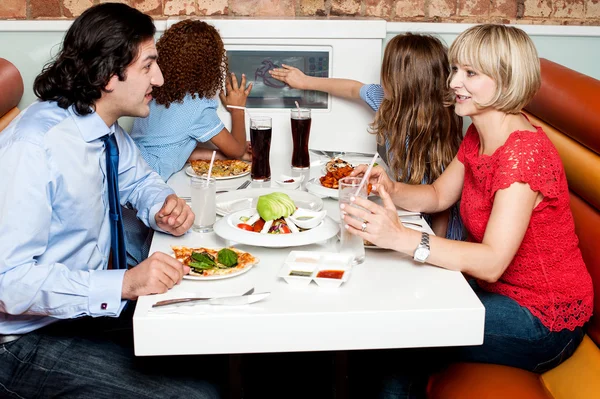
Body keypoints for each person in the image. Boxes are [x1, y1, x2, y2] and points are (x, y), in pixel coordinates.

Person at [343, 24, 594, 398]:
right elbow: (438, 194)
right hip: (494, 291)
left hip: (544, 318)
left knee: (398, 337)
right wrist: (390, 186)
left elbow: (492, 261)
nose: (454, 82)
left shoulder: (522, 155)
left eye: (470, 73)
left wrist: (402, 237)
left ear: (506, 79)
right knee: (386, 316)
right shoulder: (480, 133)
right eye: (455, 69)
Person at [0, 4, 219, 398]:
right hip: (25, 340)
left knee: (213, 344)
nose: (161, 78)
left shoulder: (101, 128)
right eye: (148, 66)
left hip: (83, 311)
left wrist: (162, 203)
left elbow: (138, 179)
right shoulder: (34, 147)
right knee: (195, 394)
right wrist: (124, 282)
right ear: (107, 74)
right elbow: (8, 283)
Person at [269, 33, 464, 240]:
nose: (381, 75)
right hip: (405, 210)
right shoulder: (386, 101)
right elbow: (353, 88)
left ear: (402, 81)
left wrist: (434, 244)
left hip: (433, 229)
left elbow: (443, 202)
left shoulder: (437, 128)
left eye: (386, 69)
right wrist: (306, 82)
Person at [130, 19, 252, 182]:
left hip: (131, 166)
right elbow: (236, 150)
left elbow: (172, 149)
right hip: (145, 181)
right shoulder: (197, 107)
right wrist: (237, 108)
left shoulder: (153, 93)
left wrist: (224, 155)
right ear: (209, 67)